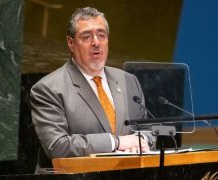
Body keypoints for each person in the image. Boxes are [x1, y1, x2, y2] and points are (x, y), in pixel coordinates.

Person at [30, 7, 154, 172]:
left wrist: (140, 140)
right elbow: (58, 146)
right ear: (70, 42)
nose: (96, 42)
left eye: (101, 35)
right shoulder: (48, 89)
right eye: (86, 36)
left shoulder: (128, 81)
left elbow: (147, 129)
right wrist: (117, 143)